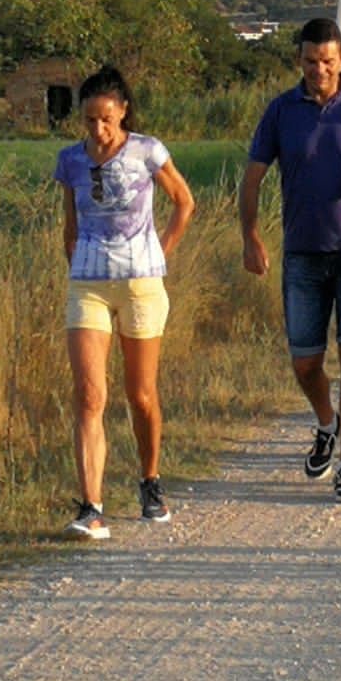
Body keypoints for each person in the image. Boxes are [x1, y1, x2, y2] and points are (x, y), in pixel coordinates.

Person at [239, 18, 341, 505]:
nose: (319, 70)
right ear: (299, 61)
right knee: (305, 362)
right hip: (303, 252)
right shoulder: (282, 111)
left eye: (328, 61)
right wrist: (250, 235)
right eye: (310, 61)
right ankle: (327, 423)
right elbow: (254, 176)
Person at [55, 66, 197, 539]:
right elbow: (70, 223)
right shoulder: (71, 161)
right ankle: (90, 505)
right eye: (90, 120)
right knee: (90, 395)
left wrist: (161, 251)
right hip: (88, 286)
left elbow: (184, 201)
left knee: (140, 393)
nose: (98, 130)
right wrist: (75, 257)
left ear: (123, 114)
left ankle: (150, 481)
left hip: (140, 284)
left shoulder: (147, 151)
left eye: (106, 120)